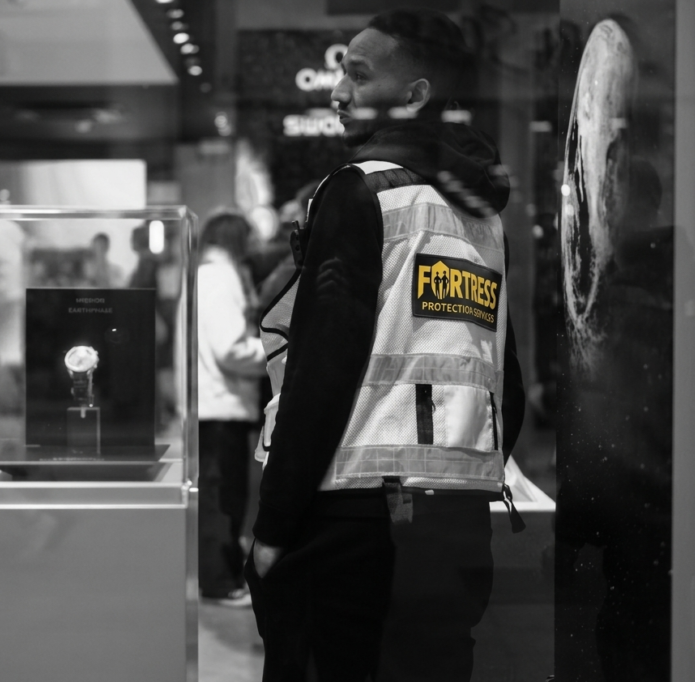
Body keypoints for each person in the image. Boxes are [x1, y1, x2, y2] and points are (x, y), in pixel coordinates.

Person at [244, 9, 525, 682]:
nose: (337, 91)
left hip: (350, 521)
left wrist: (274, 529)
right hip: (457, 525)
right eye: (341, 70)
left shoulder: (358, 191)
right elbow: (504, 386)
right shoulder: (481, 219)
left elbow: (321, 371)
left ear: (415, 95)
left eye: (358, 74)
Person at [197, 211, 267, 606]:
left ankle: (219, 574)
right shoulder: (221, 278)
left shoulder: (206, 274)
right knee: (223, 497)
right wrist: (275, 350)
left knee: (219, 495)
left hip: (214, 404)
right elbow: (230, 348)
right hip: (221, 405)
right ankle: (219, 580)